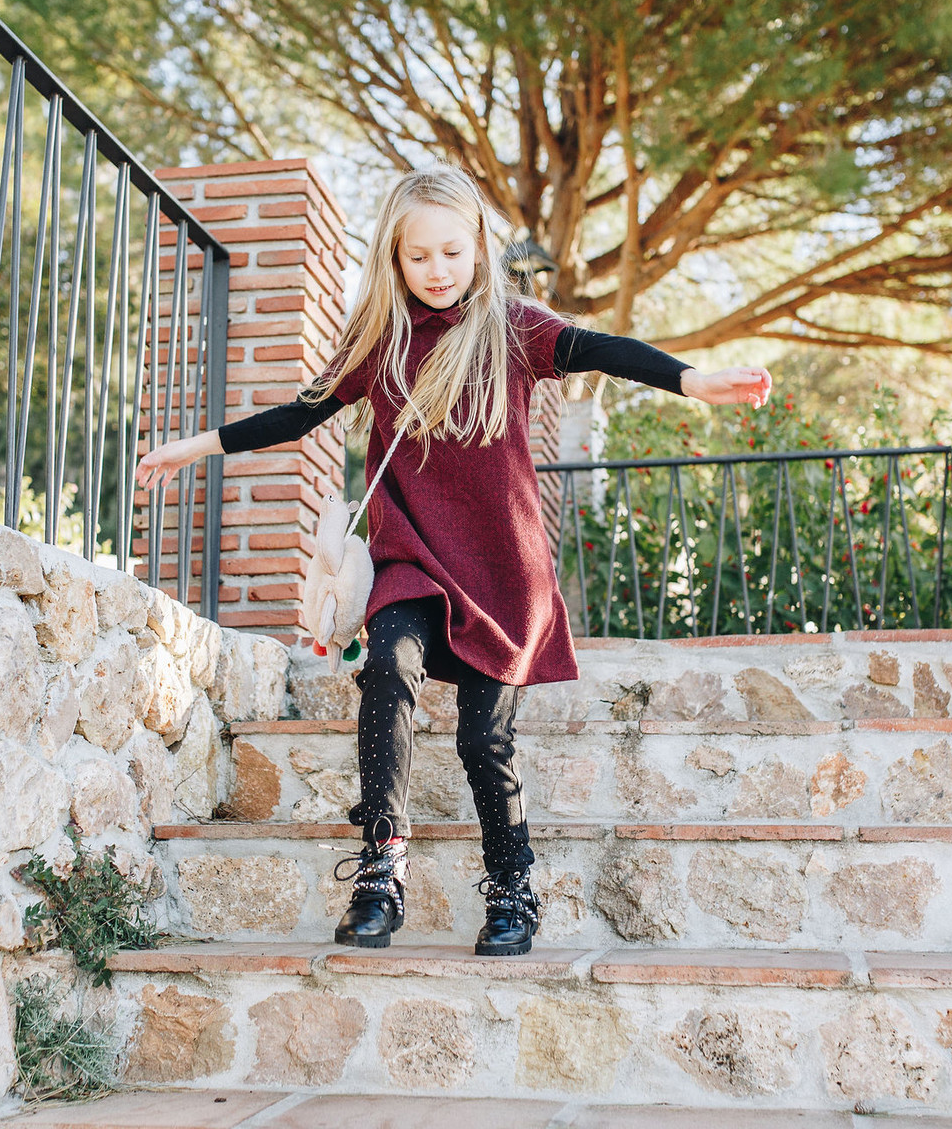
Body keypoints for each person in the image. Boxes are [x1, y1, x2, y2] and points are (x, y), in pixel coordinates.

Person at [136, 166, 772, 956]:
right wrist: (197, 445)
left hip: (506, 578)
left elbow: (603, 348)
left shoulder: (515, 330)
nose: (438, 270)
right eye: (418, 257)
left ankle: (512, 886)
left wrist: (693, 379)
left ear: (478, 247)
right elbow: (300, 415)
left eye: (452, 252)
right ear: (394, 262)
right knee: (388, 669)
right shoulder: (382, 345)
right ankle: (381, 867)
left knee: (483, 742)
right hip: (411, 563)